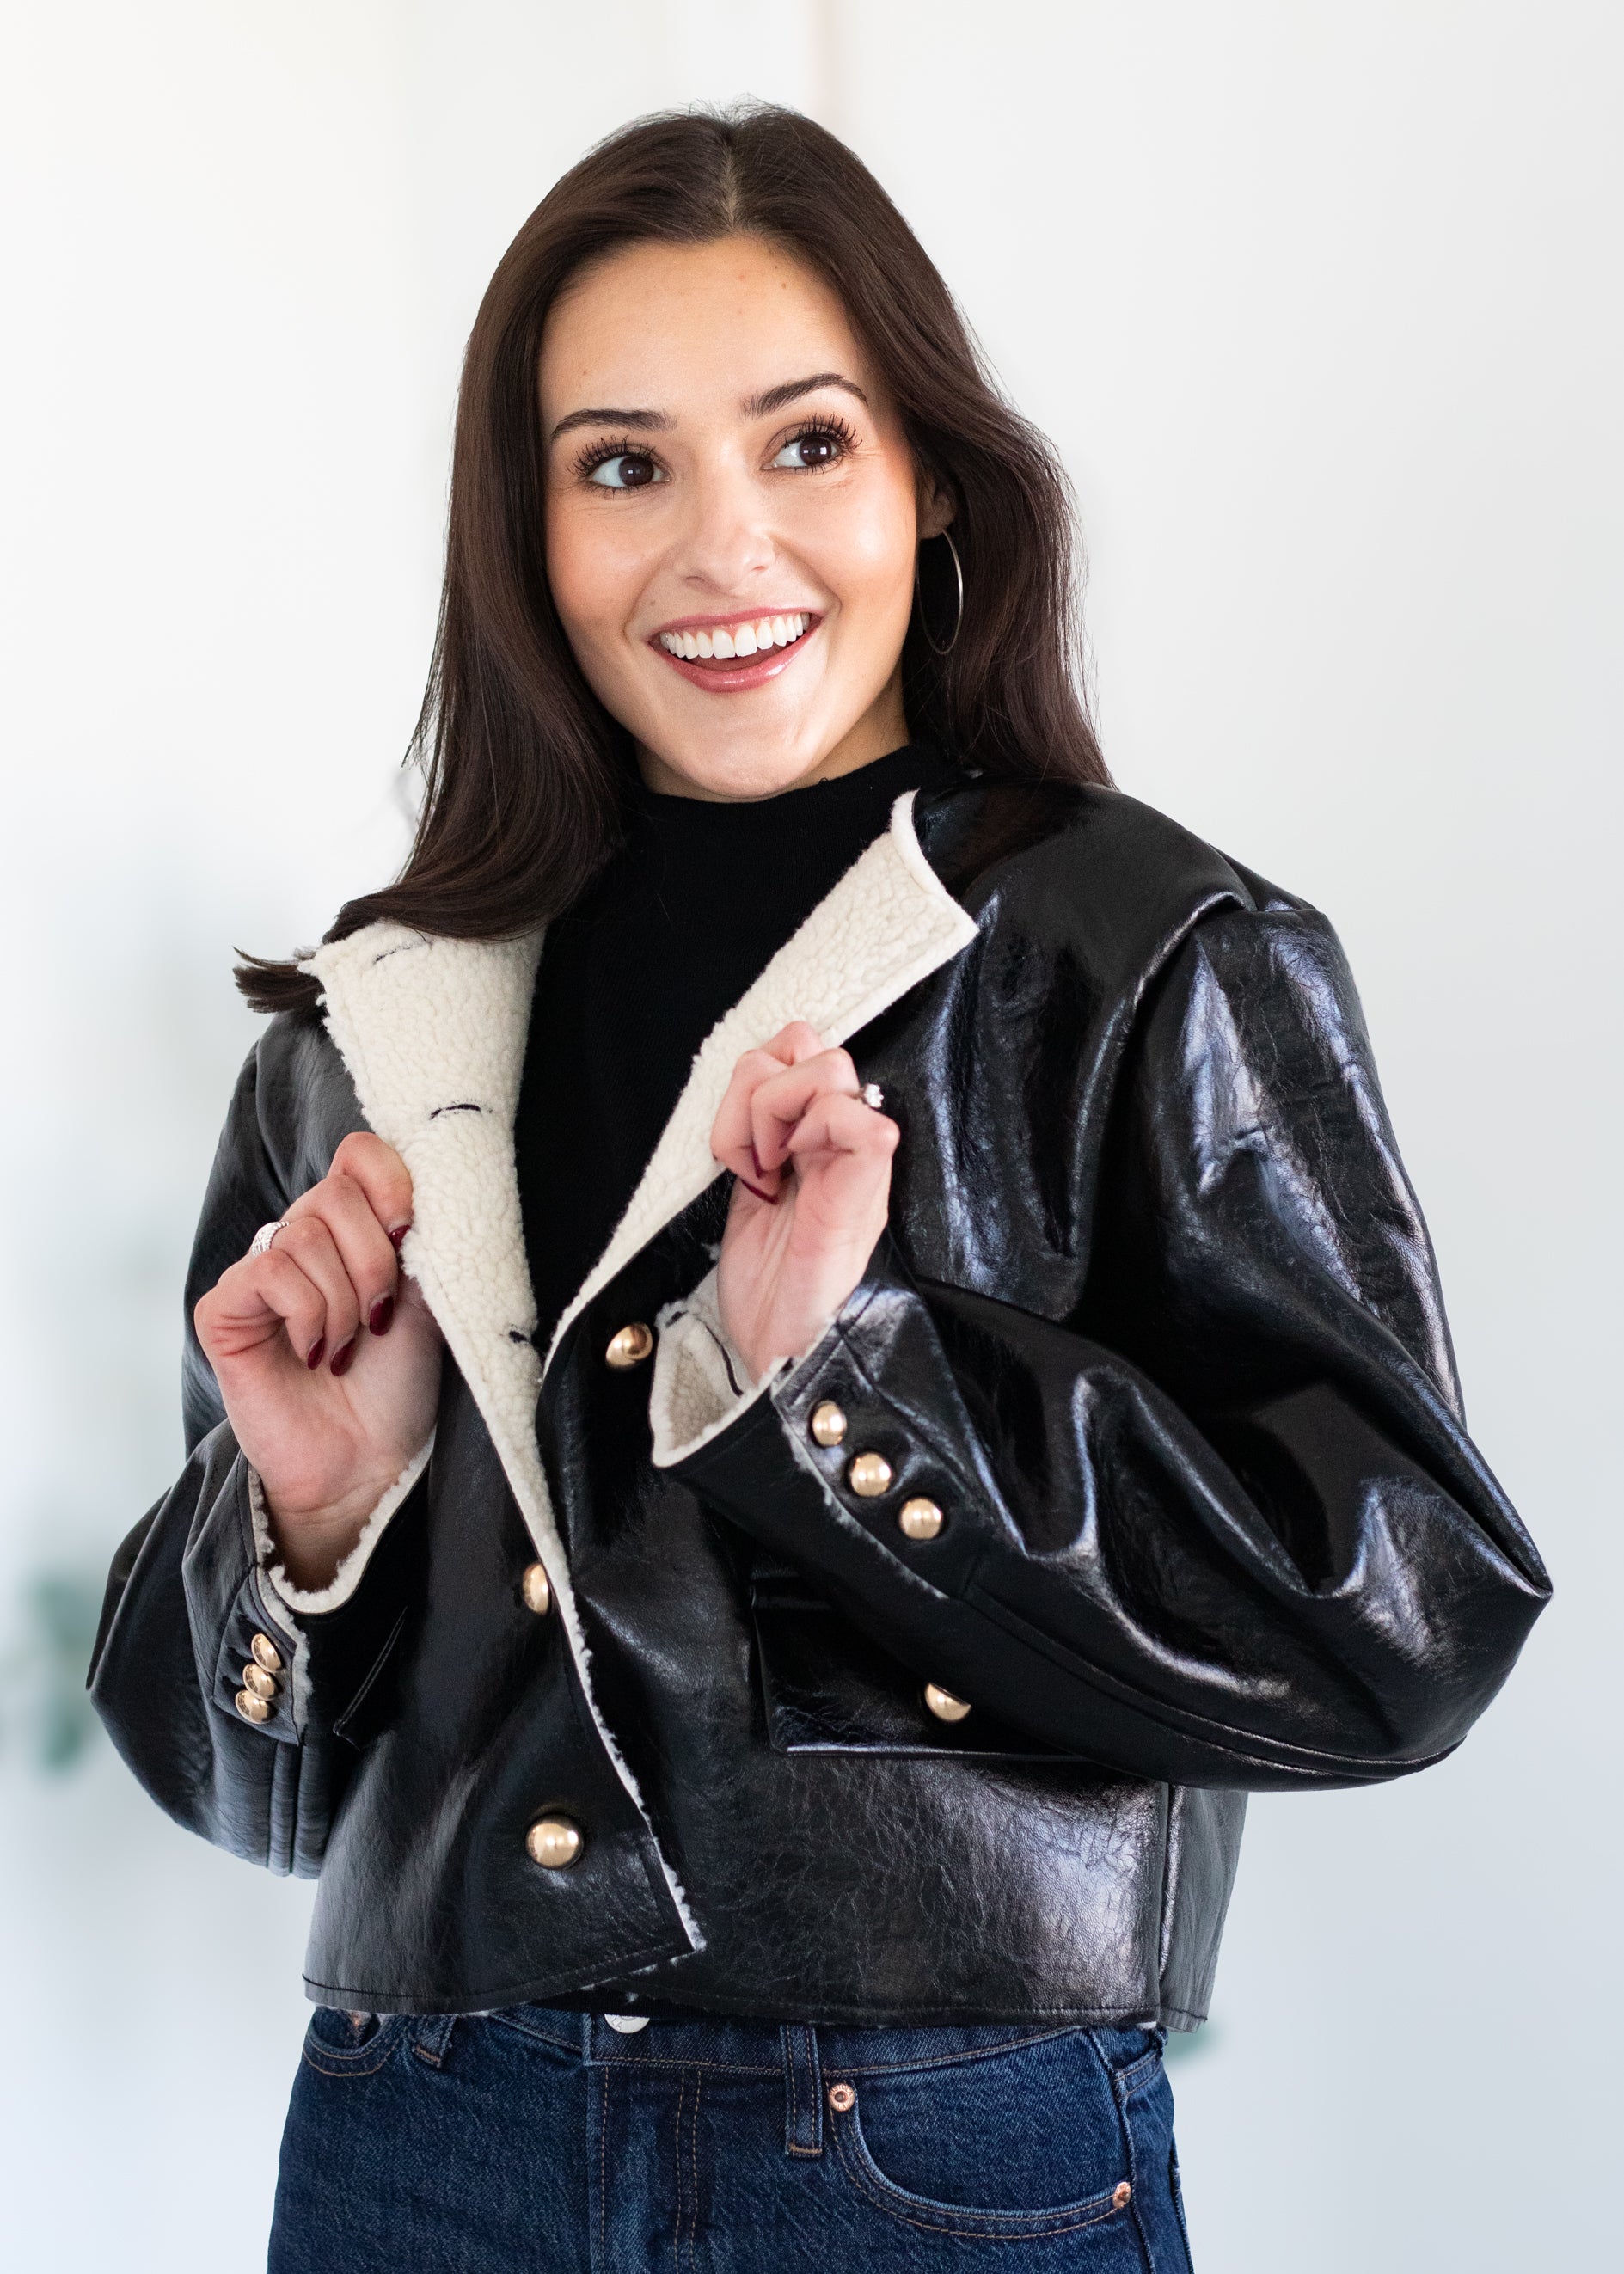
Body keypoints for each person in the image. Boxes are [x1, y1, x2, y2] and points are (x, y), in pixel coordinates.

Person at [89, 105, 1548, 2271]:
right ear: (527, 526)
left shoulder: (1147, 956)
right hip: (415, 2131)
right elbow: (258, 1800)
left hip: (927, 2149)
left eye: (803, 445)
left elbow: (1405, 1618)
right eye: (620, 465)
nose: (719, 550)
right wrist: (313, 1523)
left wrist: (847, 1383)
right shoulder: (371, 1030)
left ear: (931, 478)